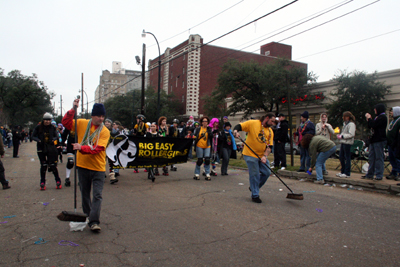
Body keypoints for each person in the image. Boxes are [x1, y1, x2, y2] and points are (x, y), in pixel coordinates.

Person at [62, 99, 110, 232]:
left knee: (97, 195)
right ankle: (88, 216)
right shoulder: (82, 123)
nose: (101, 119)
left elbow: (98, 149)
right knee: (84, 194)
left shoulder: (105, 131)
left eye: (102, 116)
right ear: (92, 116)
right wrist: (73, 109)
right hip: (82, 166)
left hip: (98, 168)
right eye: (99, 116)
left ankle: (94, 221)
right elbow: (65, 123)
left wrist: (81, 148)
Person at [233, 113, 275, 203]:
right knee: (255, 174)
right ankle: (255, 195)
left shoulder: (270, 132)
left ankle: (253, 187)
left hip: (261, 155)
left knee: (267, 172)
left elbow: (269, 146)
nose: (273, 123)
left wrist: (265, 156)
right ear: (267, 118)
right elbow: (239, 126)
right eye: (272, 121)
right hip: (250, 154)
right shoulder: (253, 123)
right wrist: (236, 131)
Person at [32, 113, 63, 190]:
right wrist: (38, 140)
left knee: (53, 165)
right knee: (43, 165)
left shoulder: (52, 128)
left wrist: (54, 139)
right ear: (43, 120)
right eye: (46, 120)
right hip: (41, 148)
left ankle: (58, 180)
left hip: (50, 148)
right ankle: (42, 182)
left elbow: (56, 136)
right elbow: (32, 136)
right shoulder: (38, 127)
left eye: (49, 120)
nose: (47, 121)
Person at [362, 104, 388, 181]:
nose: (374, 111)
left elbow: (374, 125)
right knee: (371, 158)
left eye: (375, 109)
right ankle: (370, 173)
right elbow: (370, 126)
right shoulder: (377, 117)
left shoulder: (383, 117)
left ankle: (379, 174)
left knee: (378, 158)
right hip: (374, 140)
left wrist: (370, 119)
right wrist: (369, 120)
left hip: (379, 140)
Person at [335, 111, 356, 178]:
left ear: (347, 117)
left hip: (348, 142)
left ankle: (347, 172)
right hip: (343, 142)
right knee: (341, 157)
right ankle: (343, 171)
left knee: (347, 157)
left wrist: (343, 136)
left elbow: (351, 134)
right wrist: (340, 135)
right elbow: (344, 132)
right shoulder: (345, 124)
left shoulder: (351, 124)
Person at [193, 116, 213, 181]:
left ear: (208, 122)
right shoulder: (198, 129)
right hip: (199, 145)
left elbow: (211, 136)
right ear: (201, 122)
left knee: (207, 160)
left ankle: (207, 173)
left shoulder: (209, 129)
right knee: (200, 160)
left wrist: (209, 130)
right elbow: (195, 136)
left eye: (206, 121)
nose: (205, 122)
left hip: (207, 146)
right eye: (203, 121)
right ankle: (197, 173)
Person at [386, 107, 400, 181]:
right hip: (390, 143)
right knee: (391, 158)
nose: (391, 113)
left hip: (396, 143)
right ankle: (394, 172)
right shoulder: (392, 121)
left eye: (392, 111)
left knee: (397, 159)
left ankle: (399, 173)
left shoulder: (399, 120)